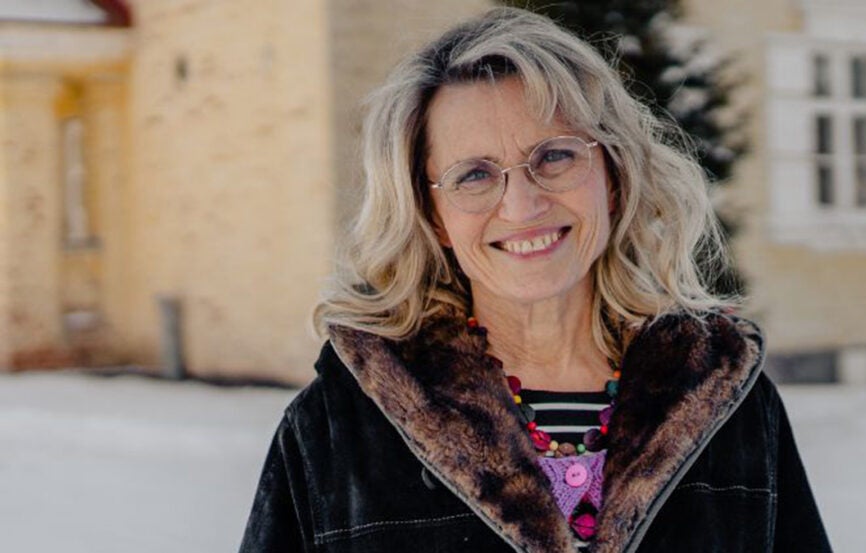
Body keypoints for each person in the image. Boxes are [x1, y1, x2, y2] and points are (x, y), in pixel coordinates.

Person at [240, 7, 830, 553]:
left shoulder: (725, 401)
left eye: (554, 156)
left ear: (614, 176)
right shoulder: (340, 425)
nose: (522, 206)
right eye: (474, 175)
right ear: (433, 217)